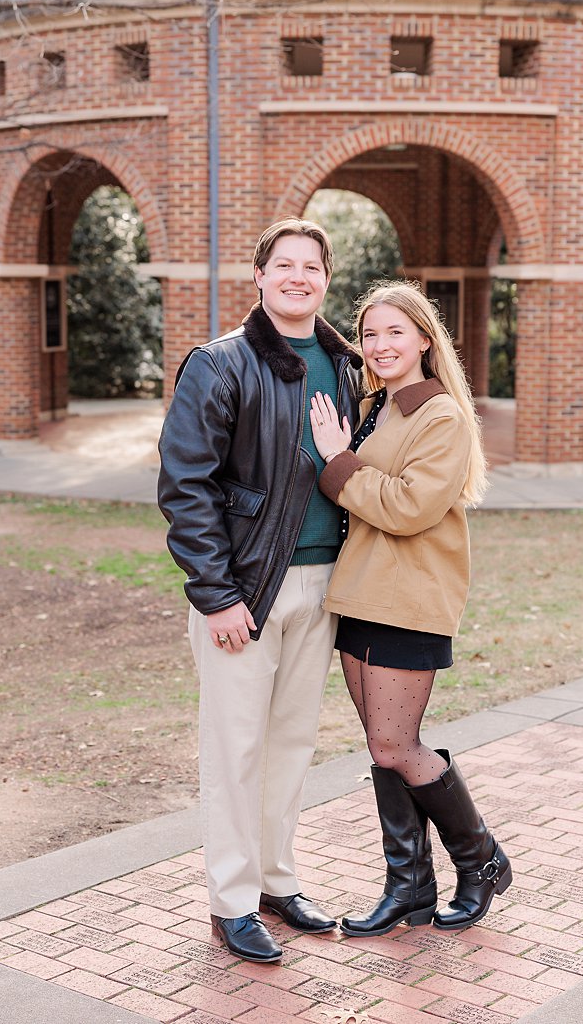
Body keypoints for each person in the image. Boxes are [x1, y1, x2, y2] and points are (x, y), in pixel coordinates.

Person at [158, 218, 360, 963]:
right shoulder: (219, 364)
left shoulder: (345, 365)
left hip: (323, 585)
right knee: (235, 749)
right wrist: (215, 593)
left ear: (326, 281)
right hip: (245, 592)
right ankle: (232, 900)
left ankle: (277, 880)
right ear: (260, 278)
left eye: (312, 266)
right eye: (285, 265)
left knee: (290, 745)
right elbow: (186, 487)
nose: (298, 277)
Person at [306, 281, 510, 939]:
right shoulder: (376, 408)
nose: (381, 344)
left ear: (425, 338)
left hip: (409, 599)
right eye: (370, 334)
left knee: (398, 743)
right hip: (361, 594)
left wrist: (338, 464)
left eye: (396, 331)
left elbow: (408, 507)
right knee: (381, 747)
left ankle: (481, 862)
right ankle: (409, 889)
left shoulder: (440, 416)